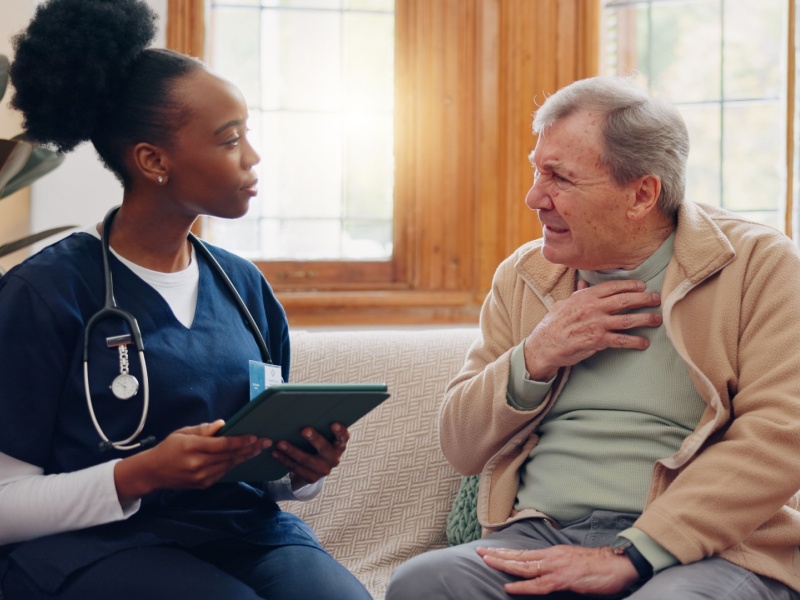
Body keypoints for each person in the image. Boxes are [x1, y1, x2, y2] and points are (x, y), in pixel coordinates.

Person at [0, 1, 373, 599]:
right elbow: (4, 505)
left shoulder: (243, 287)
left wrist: (303, 471)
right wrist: (138, 474)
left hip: (244, 532)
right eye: (229, 141)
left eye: (246, 135)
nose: (252, 159)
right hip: (95, 545)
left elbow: (270, 473)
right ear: (153, 161)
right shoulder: (45, 293)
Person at [386, 75, 800, 599]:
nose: (534, 196)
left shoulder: (759, 266)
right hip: (541, 533)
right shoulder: (525, 277)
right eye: (537, 170)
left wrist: (634, 553)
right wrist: (535, 355)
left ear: (642, 194)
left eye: (559, 177)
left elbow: (782, 434)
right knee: (425, 582)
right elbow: (459, 445)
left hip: (708, 548)